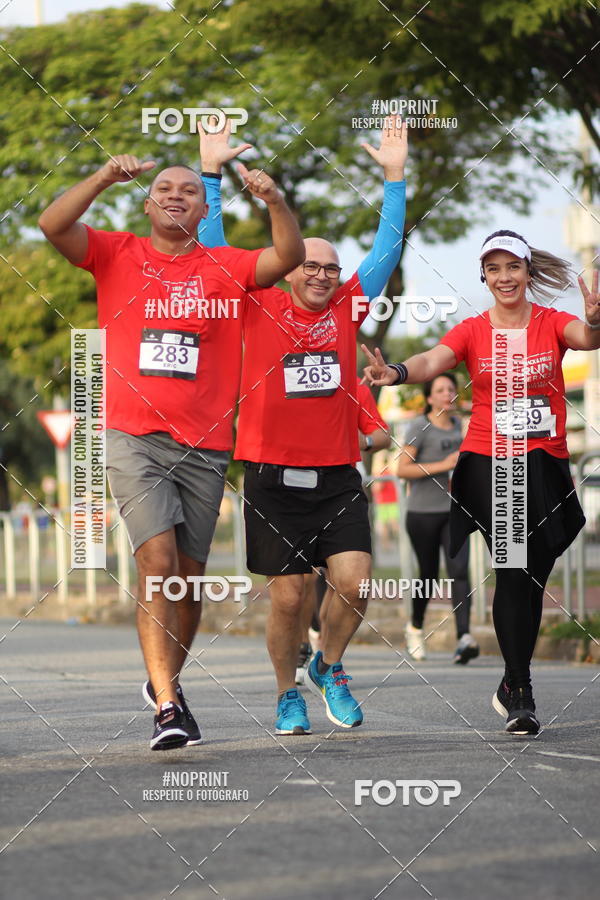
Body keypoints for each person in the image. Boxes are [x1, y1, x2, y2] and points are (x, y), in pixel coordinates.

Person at [39, 151, 304, 750]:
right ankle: (166, 707)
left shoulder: (226, 266)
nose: (176, 195)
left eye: (188, 190)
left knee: (188, 583)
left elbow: (287, 257)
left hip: (206, 447)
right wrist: (103, 176)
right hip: (133, 436)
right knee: (156, 564)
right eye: (164, 188)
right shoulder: (116, 253)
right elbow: (52, 224)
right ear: (146, 203)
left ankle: (169, 682)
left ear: (205, 209)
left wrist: (275, 201)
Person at [198, 117, 407, 734]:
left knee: (355, 583)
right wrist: (210, 174)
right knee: (288, 597)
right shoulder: (254, 300)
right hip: (270, 475)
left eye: (331, 269)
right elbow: (212, 248)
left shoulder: (348, 306)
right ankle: (286, 692)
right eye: (310, 265)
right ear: (288, 267)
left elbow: (387, 247)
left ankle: (329, 665)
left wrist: (395, 177)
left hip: (338, 473)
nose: (321, 275)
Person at [363, 229, 596, 735]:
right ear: (484, 277)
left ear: (528, 272)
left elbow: (587, 337)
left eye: (513, 267)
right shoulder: (473, 330)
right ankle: (521, 692)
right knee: (512, 571)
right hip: (495, 462)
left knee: (532, 576)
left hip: (546, 461)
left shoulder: (552, 322)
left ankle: (512, 680)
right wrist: (396, 372)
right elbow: (433, 360)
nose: (504, 277)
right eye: (493, 269)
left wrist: (596, 319)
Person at [295, 378, 392, 683]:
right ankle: (303, 646)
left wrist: (362, 441)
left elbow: (382, 435)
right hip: (297, 486)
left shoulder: (354, 386)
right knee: (304, 578)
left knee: (346, 582)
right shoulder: (292, 378)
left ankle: (325, 657)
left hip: (344, 484)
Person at [397, 372, 479, 664]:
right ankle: (415, 628)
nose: (447, 394)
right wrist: (443, 465)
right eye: (441, 390)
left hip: (454, 512)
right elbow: (402, 469)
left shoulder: (461, 427)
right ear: (430, 397)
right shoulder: (420, 426)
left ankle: (464, 638)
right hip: (422, 513)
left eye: (451, 389)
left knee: (460, 570)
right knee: (428, 575)